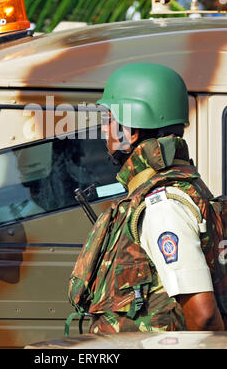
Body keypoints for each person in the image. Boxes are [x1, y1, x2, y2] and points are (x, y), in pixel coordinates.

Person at [82, 62, 224, 333]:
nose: (103, 130)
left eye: (108, 120)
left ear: (131, 132)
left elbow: (203, 315)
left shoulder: (163, 205)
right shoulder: (168, 189)